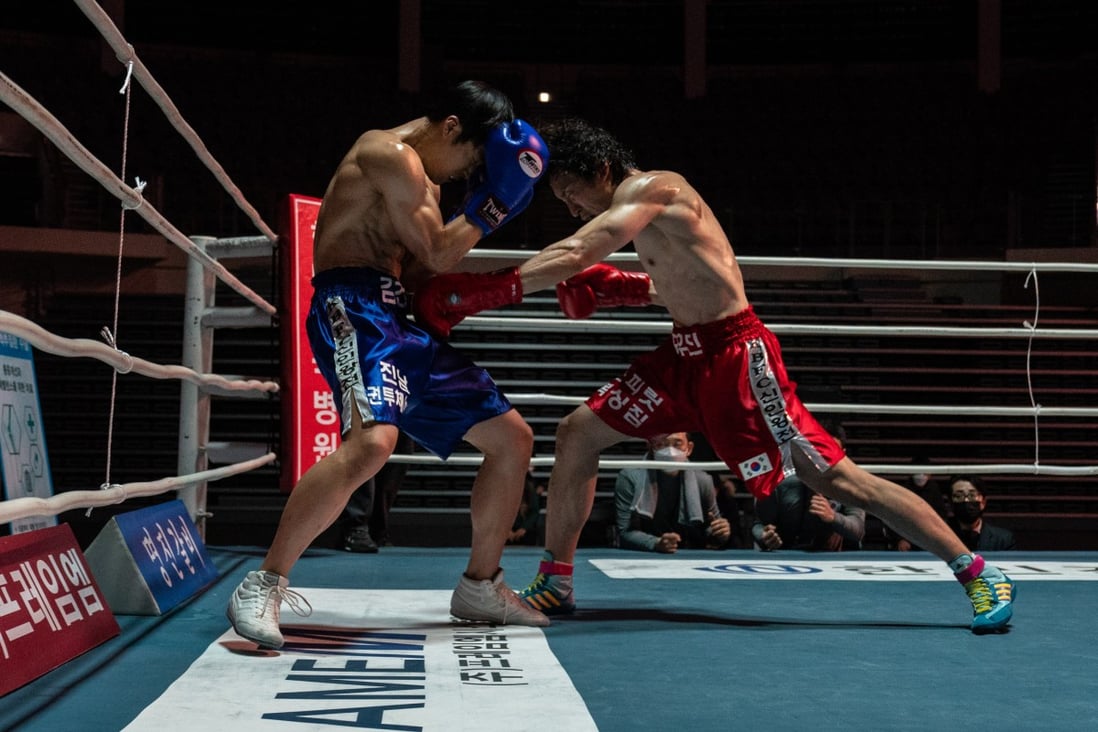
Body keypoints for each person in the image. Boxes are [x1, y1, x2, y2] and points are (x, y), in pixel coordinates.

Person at [412, 117, 1016, 633]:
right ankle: (557, 580)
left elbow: (577, 250)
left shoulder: (657, 188)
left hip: (736, 359)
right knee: (578, 432)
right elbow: (684, 280)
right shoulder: (646, 212)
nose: (570, 207)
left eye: (570, 194)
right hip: (683, 358)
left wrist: (484, 293)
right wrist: (629, 291)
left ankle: (975, 570)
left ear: (599, 168)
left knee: (836, 480)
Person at [226, 81, 552, 649]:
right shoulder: (388, 154)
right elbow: (439, 248)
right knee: (373, 444)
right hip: (353, 307)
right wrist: (496, 203)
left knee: (512, 439)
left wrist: (465, 297)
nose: (466, 173)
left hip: (400, 318)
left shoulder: (421, 174)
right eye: (472, 156)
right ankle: (263, 582)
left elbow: (422, 269)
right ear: (451, 126)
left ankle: (480, 586)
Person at [613, 432, 731, 552]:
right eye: (661, 444)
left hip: (689, 556)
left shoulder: (703, 480)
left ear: (689, 448)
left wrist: (720, 532)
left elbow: (711, 531)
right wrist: (655, 543)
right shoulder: (630, 477)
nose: (670, 451)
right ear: (650, 446)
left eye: (677, 444)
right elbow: (624, 532)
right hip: (643, 556)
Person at [339, 431, 415, 551]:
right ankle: (355, 528)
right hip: (365, 416)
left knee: (399, 452)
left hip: (400, 413)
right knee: (366, 446)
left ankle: (377, 530)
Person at [752, 475, 866, 551]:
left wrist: (833, 517)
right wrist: (764, 536)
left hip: (833, 559)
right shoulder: (779, 484)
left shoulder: (849, 487)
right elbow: (759, 524)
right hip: (785, 556)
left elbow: (858, 530)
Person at [947, 475, 1017, 551]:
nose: (966, 500)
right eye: (959, 496)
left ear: (983, 502)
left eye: (972, 495)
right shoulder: (940, 536)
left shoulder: (1004, 539)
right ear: (950, 502)